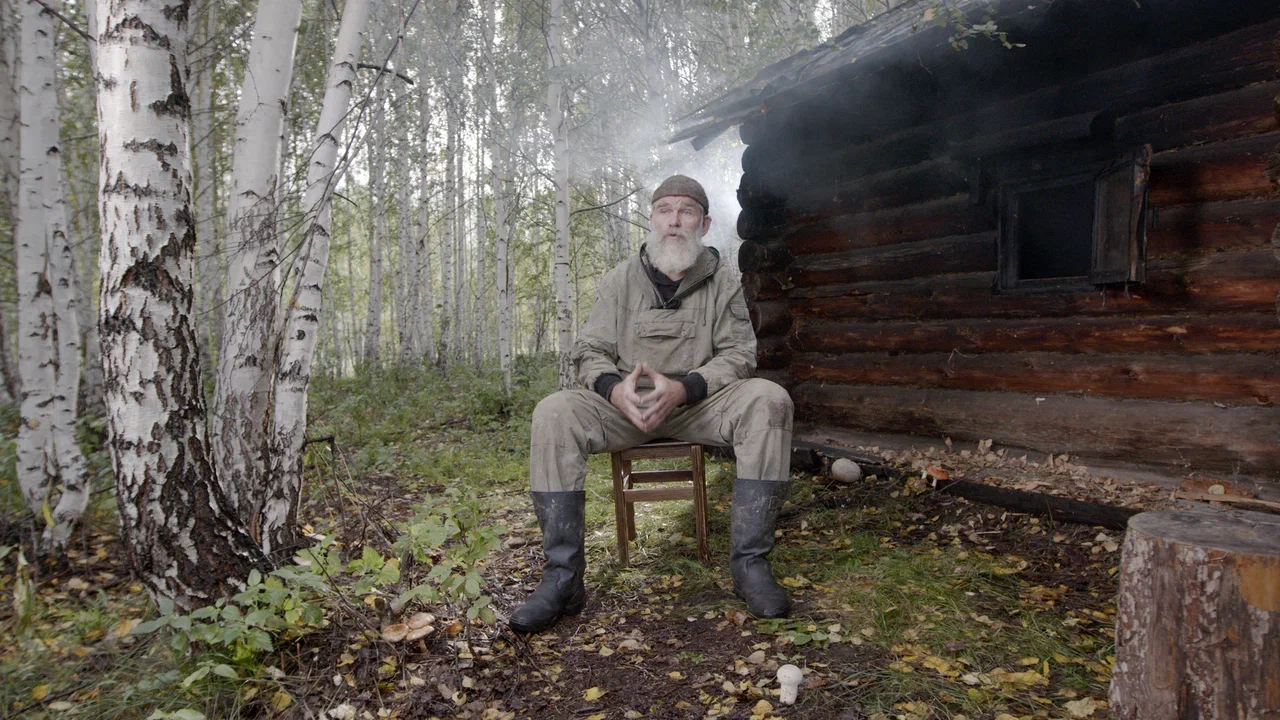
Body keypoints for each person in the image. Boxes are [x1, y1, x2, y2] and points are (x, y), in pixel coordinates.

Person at [509, 174, 795, 635]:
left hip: (698, 406)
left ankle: (751, 567)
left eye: (685, 212)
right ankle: (562, 579)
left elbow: (741, 354)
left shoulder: (722, 282)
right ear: (652, 219)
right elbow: (590, 350)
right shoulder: (620, 280)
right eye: (665, 210)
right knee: (554, 411)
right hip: (626, 410)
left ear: (704, 222)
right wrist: (612, 389)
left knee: (769, 400)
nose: (674, 221)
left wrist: (687, 388)